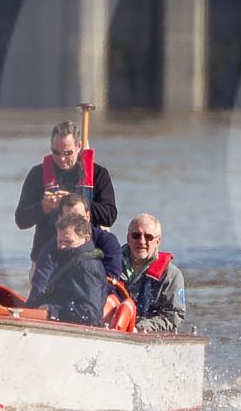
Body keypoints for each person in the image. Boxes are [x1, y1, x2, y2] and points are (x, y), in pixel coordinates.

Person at [15, 119, 119, 267]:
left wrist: (80, 205)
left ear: (79, 147)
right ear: (51, 147)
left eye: (68, 152)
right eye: (56, 152)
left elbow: (110, 216)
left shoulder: (98, 174)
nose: (62, 158)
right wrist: (44, 206)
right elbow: (21, 220)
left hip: (88, 260)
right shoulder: (37, 174)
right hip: (47, 259)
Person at [29, 214, 108, 326]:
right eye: (60, 242)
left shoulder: (86, 267)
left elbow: (90, 313)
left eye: (68, 242)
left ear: (86, 238)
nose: (62, 247)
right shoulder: (69, 260)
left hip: (80, 332)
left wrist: (53, 310)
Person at [122, 213, 187, 334]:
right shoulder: (110, 265)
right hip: (111, 328)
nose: (141, 241)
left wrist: (139, 328)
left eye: (148, 237)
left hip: (145, 333)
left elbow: (173, 316)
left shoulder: (172, 275)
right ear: (128, 238)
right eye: (136, 235)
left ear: (158, 241)